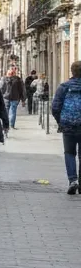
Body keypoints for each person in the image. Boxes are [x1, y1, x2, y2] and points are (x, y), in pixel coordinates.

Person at [52, 62, 81, 194]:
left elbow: (55, 107)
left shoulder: (64, 87)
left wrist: (60, 122)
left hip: (68, 125)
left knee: (69, 153)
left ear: (72, 71)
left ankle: (73, 180)